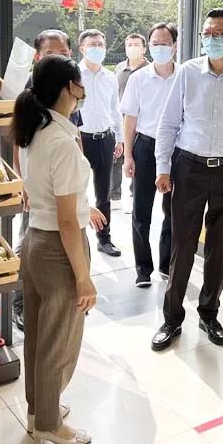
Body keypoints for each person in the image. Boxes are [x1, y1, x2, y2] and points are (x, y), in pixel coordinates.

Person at [151, 8, 223, 351]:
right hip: (189, 167)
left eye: (218, 33)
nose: (211, 39)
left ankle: (209, 313)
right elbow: (168, 123)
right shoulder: (188, 72)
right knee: (183, 244)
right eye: (207, 33)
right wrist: (162, 167)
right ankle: (172, 318)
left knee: (219, 247)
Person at [11, 55, 105, 444]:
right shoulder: (62, 142)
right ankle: (49, 424)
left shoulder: (35, 130)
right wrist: (83, 277)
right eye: (80, 82)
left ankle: (39, 411)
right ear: (70, 88)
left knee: (38, 335)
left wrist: (86, 208)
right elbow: (67, 222)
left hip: (34, 240)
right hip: (58, 248)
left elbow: (51, 197)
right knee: (59, 341)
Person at [12, 29, 76, 332]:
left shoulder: (68, 87)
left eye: (63, 53)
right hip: (40, 185)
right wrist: (23, 183)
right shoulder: (34, 87)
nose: (58, 57)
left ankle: (57, 299)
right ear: (38, 56)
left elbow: (74, 132)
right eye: (51, 53)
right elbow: (19, 140)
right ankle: (22, 305)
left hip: (60, 178)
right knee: (32, 239)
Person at [121, 23, 178, 288]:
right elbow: (130, 119)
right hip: (145, 147)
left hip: (177, 150)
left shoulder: (184, 76)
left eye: (165, 43)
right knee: (141, 211)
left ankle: (167, 264)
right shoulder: (138, 78)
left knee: (173, 211)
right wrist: (128, 156)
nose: (160, 48)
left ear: (174, 46)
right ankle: (143, 268)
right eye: (155, 43)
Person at [77, 29, 124, 257]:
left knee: (103, 193)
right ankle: (77, 239)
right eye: (92, 45)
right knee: (76, 191)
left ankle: (104, 239)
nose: (97, 48)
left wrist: (120, 138)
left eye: (100, 45)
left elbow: (115, 109)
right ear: (82, 49)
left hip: (105, 139)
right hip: (80, 140)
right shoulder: (74, 74)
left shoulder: (110, 77)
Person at [111, 34, 149, 210]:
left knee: (136, 159)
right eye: (129, 45)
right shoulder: (119, 68)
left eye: (136, 45)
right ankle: (115, 196)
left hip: (141, 124)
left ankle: (135, 195)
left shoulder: (149, 70)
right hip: (120, 121)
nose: (132, 48)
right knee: (117, 158)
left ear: (144, 49)